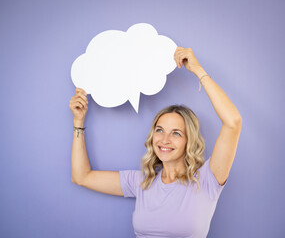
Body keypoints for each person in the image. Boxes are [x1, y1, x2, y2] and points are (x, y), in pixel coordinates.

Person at [69, 47, 242, 238]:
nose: (165, 139)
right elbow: (81, 176)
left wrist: (198, 70)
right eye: (160, 130)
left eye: (176, 133)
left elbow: (233, 122)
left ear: (189, 141)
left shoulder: (208, 180)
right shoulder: (142, 182)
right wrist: (79, 121)